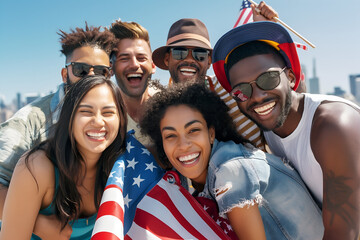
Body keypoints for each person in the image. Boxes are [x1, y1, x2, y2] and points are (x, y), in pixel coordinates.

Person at [212, 21, 360, 239]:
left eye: (267, 79)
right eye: (242, 90)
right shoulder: (271, 121)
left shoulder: (333, 127)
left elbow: (345, 232)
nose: (257, 96)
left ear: (290, 77)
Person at [139, 82, 324, 240]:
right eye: (171, 136)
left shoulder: (230, 169)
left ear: (211, 134)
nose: (183, 145)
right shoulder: (209, 173)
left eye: (193, 130)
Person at [0, 24, 115, 238]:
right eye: (81, 69)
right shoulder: (30, 120)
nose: (90, 77)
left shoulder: (112, 120)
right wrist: (37, 223)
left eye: (101, 71)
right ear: (65, 74)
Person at [0, 75, 127, 239]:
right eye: (86, 111)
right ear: (69, 118)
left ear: (121, 119)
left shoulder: (123, 165)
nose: (98, 121)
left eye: (108, 112)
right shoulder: (36, 167)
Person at [151, 2, 278, 151]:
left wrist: (268, 33)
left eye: (199, 54)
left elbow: (276, 88)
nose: (190, 59)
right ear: (167, 59)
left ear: (209, 61)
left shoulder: (230, 86)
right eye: (180, 52)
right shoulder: (161, 109)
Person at [109, 19, 163, 148]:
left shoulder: (170, 107)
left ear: (153, 65)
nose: (134, 64)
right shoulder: (104, 116)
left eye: (141, 58)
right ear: (111, 68)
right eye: (124, 58)